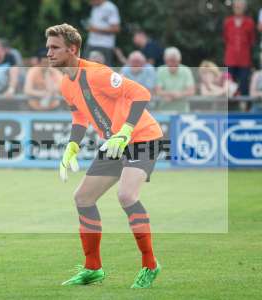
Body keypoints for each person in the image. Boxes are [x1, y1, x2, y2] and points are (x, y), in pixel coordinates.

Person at [45, 23, 163, 288]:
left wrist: (125, 131)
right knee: (83, 198)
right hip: (115, 143)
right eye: (48, 48)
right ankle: (93, 268)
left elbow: (141, 94)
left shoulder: (97, 74)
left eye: (55, 48)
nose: (48, 53)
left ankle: (150, 265)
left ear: (72, 49)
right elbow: (78, 115)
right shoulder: (66, 84)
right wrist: (72, 146)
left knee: (126, 195)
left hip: (143, 137)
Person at [223, 0, 255, 95]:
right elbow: (225, 38)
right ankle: (230, 107)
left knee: (244, 84)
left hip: (244, 59)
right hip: (230, 59)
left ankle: (245, 108)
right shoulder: (227, 22)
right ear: (233, 7)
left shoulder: (249, 22)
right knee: (228, 84)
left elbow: (251, 40)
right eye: (236, 6)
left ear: (244, 8)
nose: (238, 8)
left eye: (240, 6)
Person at [155, 47, 195, 112]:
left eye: (174, 60)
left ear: (179, 60)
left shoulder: (186, 70)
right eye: (169, 60)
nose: (172, 63)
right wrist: (172, 94)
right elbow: (157, 91)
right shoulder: (160, 70)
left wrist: (180, 94)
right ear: (165, 60)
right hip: (164, 110)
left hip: (182, 111)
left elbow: (191, 91)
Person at [84, 0, 120, 66]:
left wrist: (96, 29)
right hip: (91, 43)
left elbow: (116, 29)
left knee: (104, 69)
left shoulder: (110, 8)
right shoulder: (95, 8)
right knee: (86, 68)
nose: (90, 2)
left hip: (105, 45)